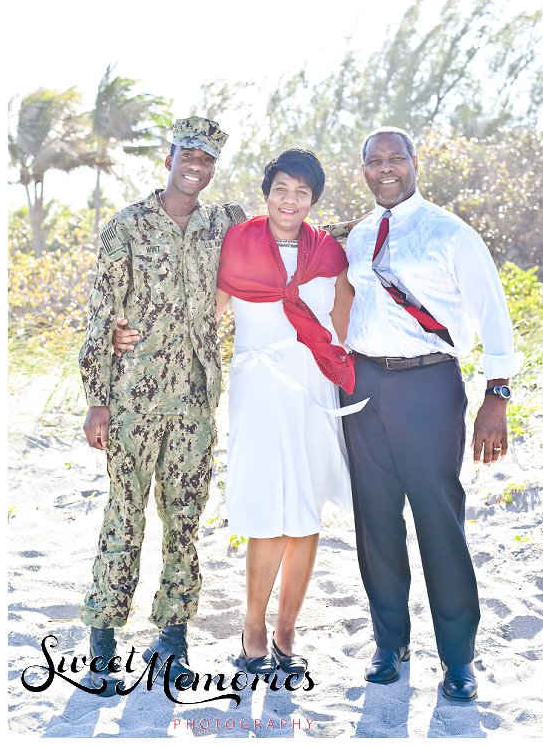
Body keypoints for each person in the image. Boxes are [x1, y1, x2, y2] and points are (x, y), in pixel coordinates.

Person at [338, 126, 518, 702]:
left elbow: (493, 315)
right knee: (375, 519)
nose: (385, 168)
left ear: (415, 163)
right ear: (363, 170)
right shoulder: (357, 238)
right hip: (364, 386)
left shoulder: (449, 232)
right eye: (374, 161)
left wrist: (498, 396)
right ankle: (390, 644)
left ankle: (458, 656)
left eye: (395, 158)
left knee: (440, 520)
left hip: (429, 385)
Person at [77, 116, 247, 693]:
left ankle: (173, 629)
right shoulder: (126, 228)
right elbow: (102, 314)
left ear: (213, 168)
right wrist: (97, 400)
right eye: (188, 156)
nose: (196, 166)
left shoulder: (224, 223)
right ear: (170, 158)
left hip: (196, 399)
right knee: (123, 513)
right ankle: (103, 627)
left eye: (207, 160)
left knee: (183, 519)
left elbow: (284, 230)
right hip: (133, 398)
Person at [213, 148, 362, 678]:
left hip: (312, 388)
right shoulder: (238, 243)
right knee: (265, 509)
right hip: (257, 385)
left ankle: (286, 631)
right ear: (267, 191)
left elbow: (345, 321)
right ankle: (253, 627)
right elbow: (204, 315)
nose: (290, 200)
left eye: (302, 192)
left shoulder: (328, 251)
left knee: (304, 512)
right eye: (282, 189)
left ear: (314, 199)